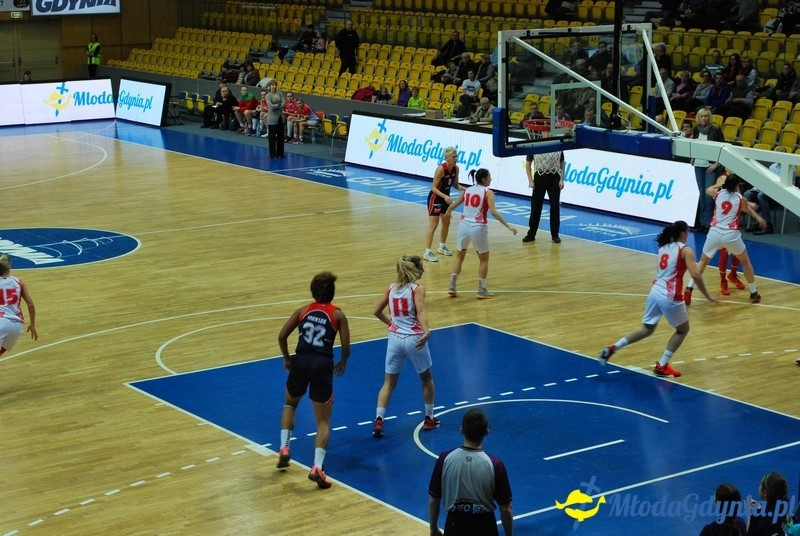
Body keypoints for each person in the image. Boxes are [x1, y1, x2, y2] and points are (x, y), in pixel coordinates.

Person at [599, 220, 718, 377]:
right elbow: (695, 274)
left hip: (655, 291)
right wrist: (707, 294)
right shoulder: (685, 250)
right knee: (682, 330)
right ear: (683, 233)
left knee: (647, 329)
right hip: (670, 295)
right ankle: (662, 365)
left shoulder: (663, 248)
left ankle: (614, 347)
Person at [276, 271, 350, 489]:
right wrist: (343, 362)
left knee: (290, 404)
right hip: (321, 364)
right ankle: (317, 467)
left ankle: (284, 448)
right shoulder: (338, 315)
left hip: (300, 361)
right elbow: (346, 347)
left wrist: (288, 358)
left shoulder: (303, 310)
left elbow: (281, 336)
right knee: (323, 422)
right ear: (332, 292)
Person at [372, 255, 438, 438]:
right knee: (426, 378)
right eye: (421, 267)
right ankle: (429, 418)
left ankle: (379, 419)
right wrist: (426, 331)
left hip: (394, 338)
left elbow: (376, 311)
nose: (423, 270)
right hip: (413, 338)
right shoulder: (417, 289)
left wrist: (390, 323)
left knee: (388, 383)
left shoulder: (391, 288)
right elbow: (421, 311)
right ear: (415, 270)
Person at [683, 174, 766, 306]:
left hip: (714, 232)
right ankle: (754, 292)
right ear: (737, 185)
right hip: (731, 234)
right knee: (745, 262)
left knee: (703, 261)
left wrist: (720, 185)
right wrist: (759, 218)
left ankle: (689, 288)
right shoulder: (740, 198)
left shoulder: (719, 194)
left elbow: (707, 190)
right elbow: (747, 209)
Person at [428, 408, 513, 536]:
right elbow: (506, 509)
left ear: (461, 430)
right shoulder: (495, 464)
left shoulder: (445, 459)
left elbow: (433, 500)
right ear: (487, 432)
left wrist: (433, 528)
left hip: (455, 525)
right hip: (485, 526)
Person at [445, 168, 518, 299]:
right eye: (489, 177)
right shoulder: (488, 192)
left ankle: (452, 285)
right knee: (484, 260)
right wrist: (509, 226)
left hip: (463, 225)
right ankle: (481, 289)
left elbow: (453, 205)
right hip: (478, 226)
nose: (491, 179)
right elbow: (494, 212)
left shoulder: (467, 190)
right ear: (484, 179)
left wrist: (448, 213)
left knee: (459, 256)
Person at [522, 132, 565, 244]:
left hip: (554, 177)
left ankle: (555, 235)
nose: (549, 133)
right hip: (539, 176)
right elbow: (527, 163)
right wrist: (530, 180)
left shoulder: (557, 145)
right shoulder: (535, 144)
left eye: (550, 131)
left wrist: (562, 179)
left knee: (555, 207)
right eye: (546, 131)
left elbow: (562, 163)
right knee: (536, 206)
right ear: (541, 133)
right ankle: (531, 234)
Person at [423, 147, 464, 263]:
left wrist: (466, 189)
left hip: (446, 199)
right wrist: (445, 196)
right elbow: (433, 188)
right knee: (433, 225)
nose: (456, 158)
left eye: (456, 156)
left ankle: (442, 246)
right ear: (447, 158)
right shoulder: (441, 169)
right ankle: (427, 252)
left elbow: (456, 185)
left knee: (446, 222)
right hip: (435, 198)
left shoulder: (456, 169)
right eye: (453, 157)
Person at [692, 107, 725, 233]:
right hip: (698, 164)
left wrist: (716, 164)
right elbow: (694, 144)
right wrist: (693, 157)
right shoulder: (696, 129)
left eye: (706, 116)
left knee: (708, 194)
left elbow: (723, 148)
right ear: (698, 118)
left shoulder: (715, 129)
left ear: (709, 117)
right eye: (701, 116)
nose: (704, 118)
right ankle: (702, 223)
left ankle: (709, 223)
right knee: (701, 194)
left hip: (710, 166)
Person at [0, 253, 37, 357]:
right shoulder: (18, 282)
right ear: (9, 266)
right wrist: (32, 324)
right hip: (17, 326)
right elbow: (30, 305)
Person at [263, 80, 286, 158]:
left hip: (280, 117)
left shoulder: (280, 93)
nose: (274, 86)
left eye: (275, 85)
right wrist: (278, 105)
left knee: (281, 136)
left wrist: (278, 105)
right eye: (272, 85)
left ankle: (280, 153)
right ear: (269, 87)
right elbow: (271, 106)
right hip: (272, 118)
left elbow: (284, 103)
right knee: (272, 137)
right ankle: (272, 154)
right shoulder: (268, 95)